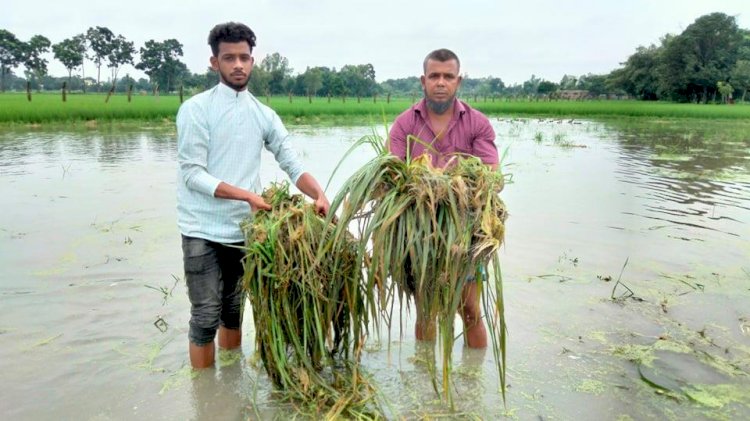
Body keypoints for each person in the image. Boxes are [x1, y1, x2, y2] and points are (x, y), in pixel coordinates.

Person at [176, 22, 330, 369]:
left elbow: (291, 163)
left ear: (253, 61)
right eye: (229, 58)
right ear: (214, 62)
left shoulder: (263, 114)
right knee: (205, 315)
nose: (238, 65)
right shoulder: (196, 110)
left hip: (243, 231)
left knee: (233, 312)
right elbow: (192, 174)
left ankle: (228, 387)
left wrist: (318, 193)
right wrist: (247, 195)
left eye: (244, 57)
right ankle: (204, 397)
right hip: (201, 227)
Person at [388, 48, 499, 348]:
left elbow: (492, 178)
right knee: (427, 312)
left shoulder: (477, 123)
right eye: (434, 76)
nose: (441, 82)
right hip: (421, 235)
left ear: (458, 81)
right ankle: (425, 386)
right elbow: (393, 178)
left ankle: (472, 383)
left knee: (470, 309)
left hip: (466, 233)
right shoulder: (404, 124)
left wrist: (454, 189)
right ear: (422, 81)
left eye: (448, 76)